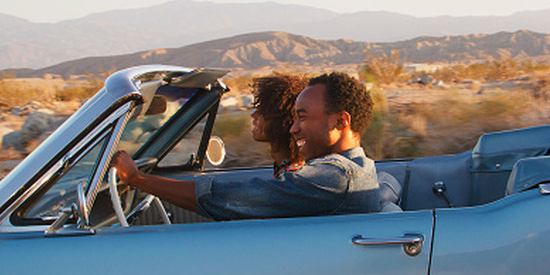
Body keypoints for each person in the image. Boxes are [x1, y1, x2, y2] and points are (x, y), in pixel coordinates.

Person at [110, 71, 380, 220]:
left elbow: (232, 197)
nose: (293, 127)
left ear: (341, 121)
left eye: (302, 117)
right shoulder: (355, 168)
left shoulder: (337, 176)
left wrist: (137, 178)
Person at [250, 74, 308, 177]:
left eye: (263, 112)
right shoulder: (288, 168)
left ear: (282, 122)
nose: (253, 115)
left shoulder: (290, 177)